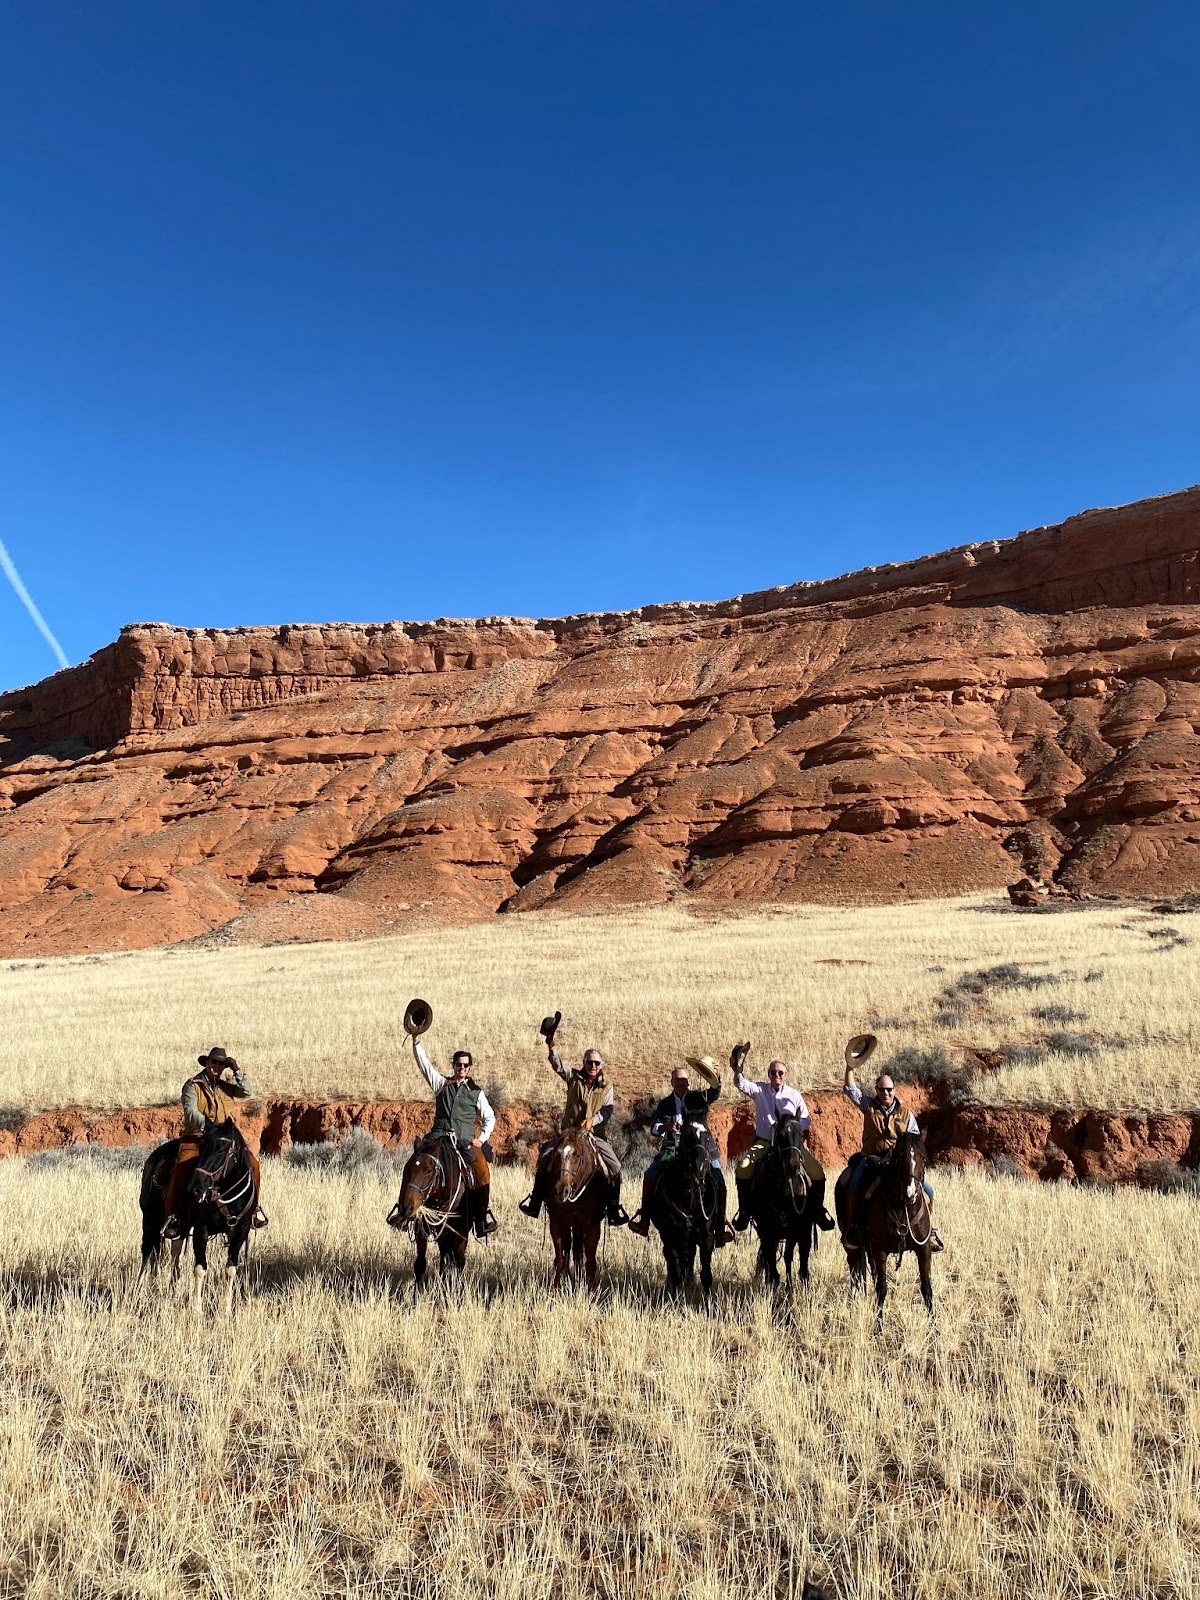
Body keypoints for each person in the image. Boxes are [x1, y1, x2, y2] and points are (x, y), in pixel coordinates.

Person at [518, 1035, 628, 1226]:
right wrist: (551, 1046)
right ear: (584, 1062)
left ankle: (613, 1207)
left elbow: (608, 1109)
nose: (592, 1065)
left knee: (615, 1166)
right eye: (589, 1062)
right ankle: (535, 1201)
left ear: (602, 1065)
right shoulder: (573, 1077)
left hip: (594, 1135)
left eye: (596, 1062)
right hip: (569, 1133)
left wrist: (593, 1121)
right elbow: (557, 1065)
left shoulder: (607, 1086)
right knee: (545, 1156)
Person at [162, 1046, 266, 1240]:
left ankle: (253, 1209)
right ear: (207, 1063)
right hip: (198, 1137)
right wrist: (210, 1128)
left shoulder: (226, 1085)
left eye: (221, 1063)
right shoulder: (193, 1085)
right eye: (214, 1062)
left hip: (225, 1139)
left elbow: (247, 1091)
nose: (217, 1067)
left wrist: (236, 1069)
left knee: (253, 1164)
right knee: (181, 1169)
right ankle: (173, 1217)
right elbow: (191, 1112)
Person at [728, 1044, 834, 1233]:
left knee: (817, 1172)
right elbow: (740, 1083)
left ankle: (817, 1210)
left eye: (780, 1072)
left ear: (786, 1075)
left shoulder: (794, 1095)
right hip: (764, 1142)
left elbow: (806, 1120)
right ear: (768, 1074)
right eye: (773, 1072)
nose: (777, 1075)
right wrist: (737, 1070)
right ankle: (744, 1211)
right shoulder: (759, 1089)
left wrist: (791, 1128)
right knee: (743, 1169)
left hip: (791, 1146)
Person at [628, 1058, 734, 1244]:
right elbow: (654, 1127)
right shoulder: (665, 1104)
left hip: (702, 1149)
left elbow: (715, 1092)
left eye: (685, 1080)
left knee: (719, 1179)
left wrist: (717, 1076)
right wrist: (666, 1127)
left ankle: (720, 1223)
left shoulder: (698, 1098)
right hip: (672, 1147)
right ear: (672, 1083)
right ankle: (644, 1218)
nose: (682, 1083)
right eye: (678, 1081)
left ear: (688, 1082)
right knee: (650, 1175)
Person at [842, 1060, 942, 1251]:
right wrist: (849, 1067)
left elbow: (914, 1140)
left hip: (898, 1160)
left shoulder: (906, 1114)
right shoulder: (868, 1105)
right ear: (876, 1090)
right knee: (854, 1184)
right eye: (881, 1090)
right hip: (872, 1158)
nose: (885, 1093)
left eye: (889, 1089)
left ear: (894, 1090)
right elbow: (850, 1088)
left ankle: (927, 1232)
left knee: (929, 1191)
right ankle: (854, 1226)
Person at [409, 1033, 498, 1238]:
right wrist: (416, 1043)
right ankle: (405, 1210)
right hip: (438, 1138)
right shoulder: (441, 1083)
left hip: (464, 1142)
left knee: (482, 1170)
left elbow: (489, 1117)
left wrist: (481, 1139)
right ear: (453, 1065)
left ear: (469, 1068)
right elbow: (425, 1066)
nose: (462, 1069)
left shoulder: (476, 1092)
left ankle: (481, 1219)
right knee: (415, 1164)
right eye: (458, 1065)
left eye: (465, 1066)